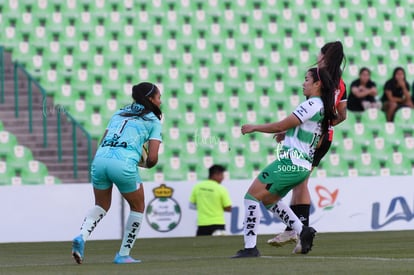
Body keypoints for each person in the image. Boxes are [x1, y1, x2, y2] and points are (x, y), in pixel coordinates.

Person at [232, 67, 336, 258]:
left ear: (317, 83)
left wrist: (254, 127)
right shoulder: (321, 107)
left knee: (251, 197)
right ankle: (302, 230)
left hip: (291, 162)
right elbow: (307, 133)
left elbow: (281, 124)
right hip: (301, 165)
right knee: (269, 200)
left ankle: (250, 248)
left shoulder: (312, 104)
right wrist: (287, 134)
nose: (303, 83)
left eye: (307, 79)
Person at [71, 82, 162, 264]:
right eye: (159, 97)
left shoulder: (119, 113)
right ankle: (123, 254)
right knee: (138, 207)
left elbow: (104, 139)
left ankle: (81, 236)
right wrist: (142, 161)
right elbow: (152, 158)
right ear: (150, 99)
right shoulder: (153, 120)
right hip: (123, 164)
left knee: (101, 205)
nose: (160, 101)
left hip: (100, 160)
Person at [267, 41, 347, 247]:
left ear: (324, 56)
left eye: (319, 54)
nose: (317, 57)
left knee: (300, 182)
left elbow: (315, 113)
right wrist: (325, 127)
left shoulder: (320, 77)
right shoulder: (341, 82)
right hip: (323, 137)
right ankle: (294, 230)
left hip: (316, 139)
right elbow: (342, 115)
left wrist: (314, 130)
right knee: (299, 182)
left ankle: (299, 231)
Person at [189, 164, 232, 236]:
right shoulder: (220, 188)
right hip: (218, 224)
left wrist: (203, 207)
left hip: (202, 224)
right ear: (215, 175)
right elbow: (228, 208)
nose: (222, 178)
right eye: (222, 175)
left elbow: (191, 205)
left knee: (201, 247)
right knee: (219, 247)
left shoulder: (198, 187)